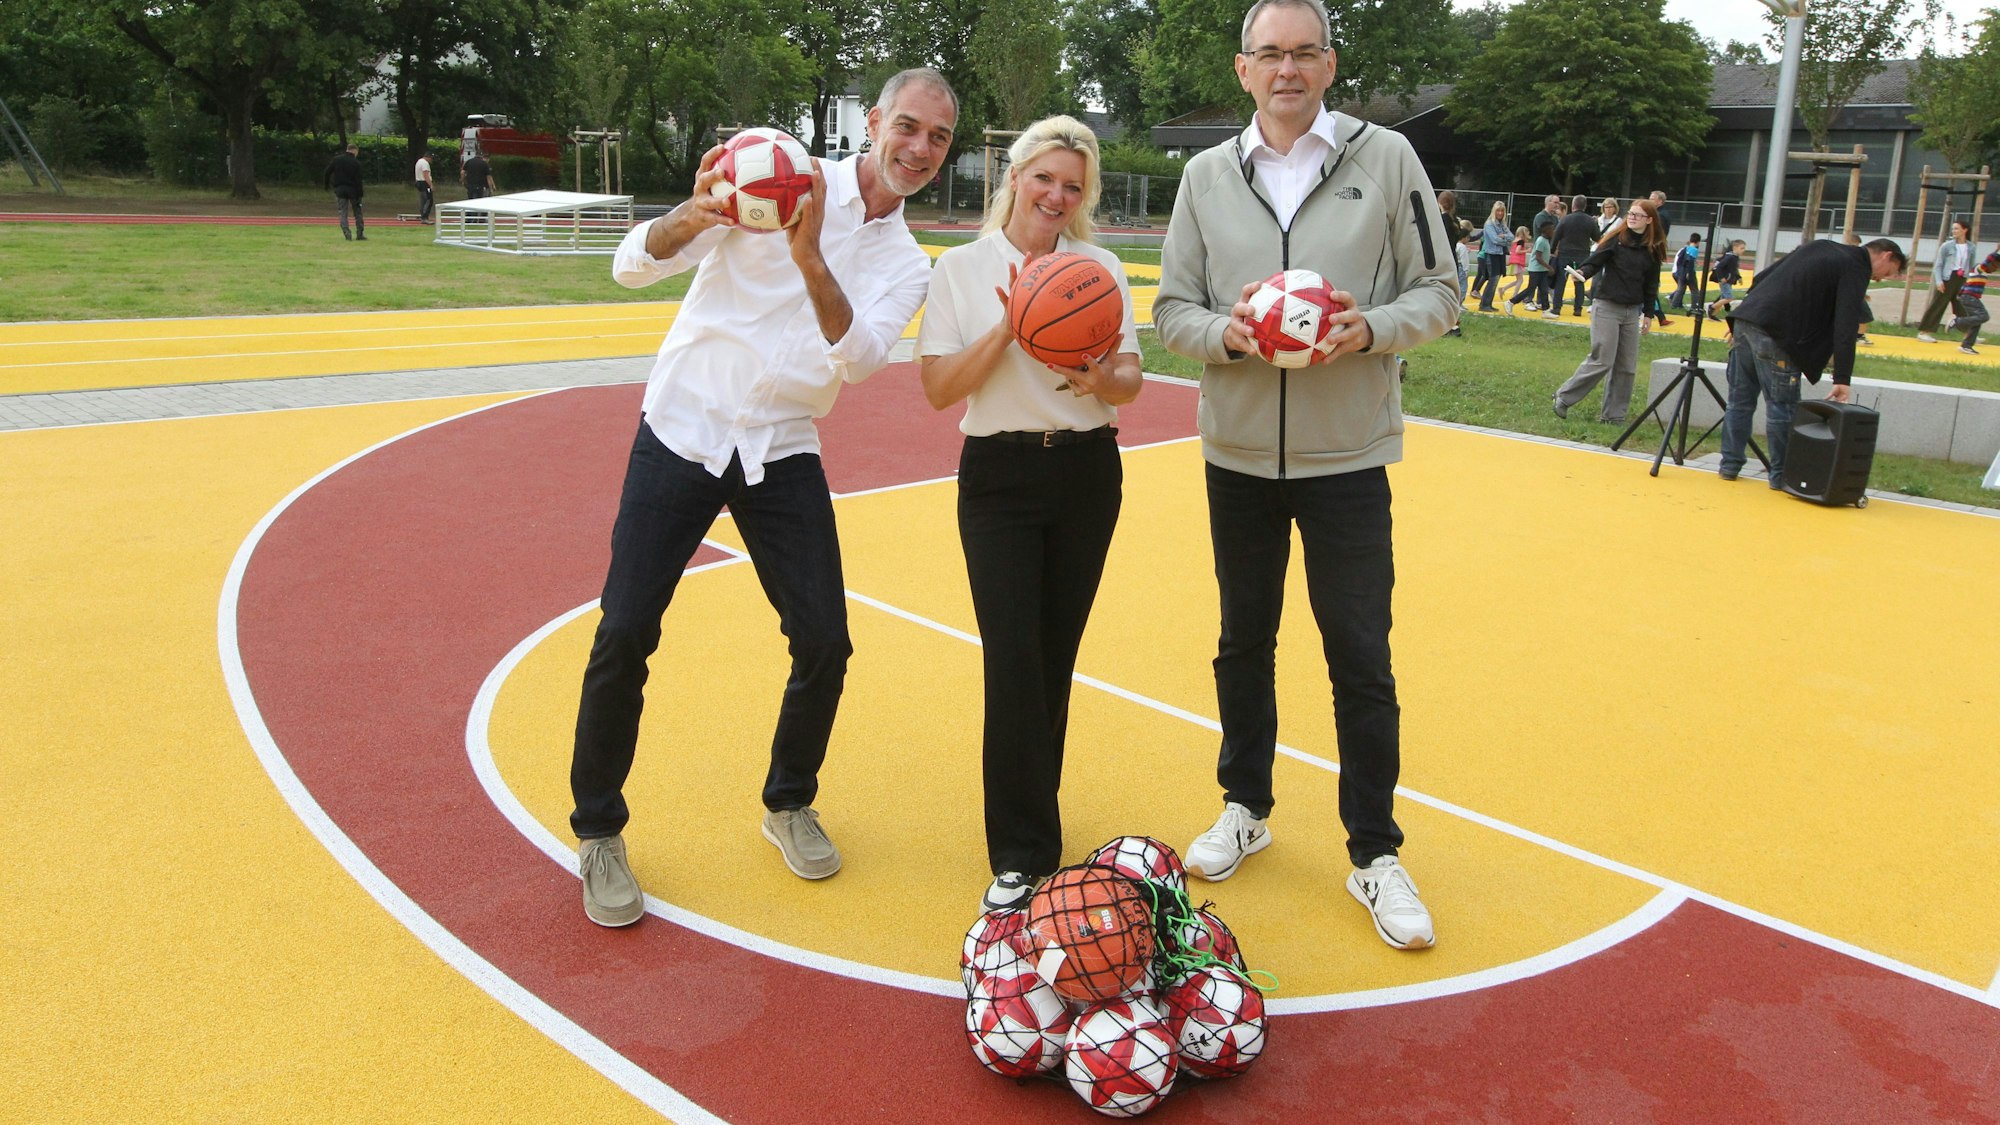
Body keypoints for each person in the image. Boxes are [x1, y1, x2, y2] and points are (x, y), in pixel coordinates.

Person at [566, 68, 959, 927]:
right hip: (685, 426)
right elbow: (630, 268)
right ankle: (598, 830)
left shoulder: (905, 263)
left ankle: (789, 800)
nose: (920, 149)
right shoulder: (771, 172)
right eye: (909, 127)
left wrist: (809, 253)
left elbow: (856, 360)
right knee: (625, 628)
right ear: (876, 124)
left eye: (938, 138)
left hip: (780, 446)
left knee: (825, 638)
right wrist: (691, 213)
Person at [1153, 0, 1458, 951]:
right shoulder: (1206, 175)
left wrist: (1368, 327)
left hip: (1349, 456)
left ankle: (1375, 851)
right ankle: (1245, 803)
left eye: (1304, 52)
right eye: (1268, 54)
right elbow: (1171, 311)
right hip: (1236, 455)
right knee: (1243, 641)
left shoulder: (1388, 158)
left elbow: (1440, 292)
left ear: (1329, 65)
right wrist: (1230, 336)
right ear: (1242, 70)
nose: (1287, 69)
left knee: (1359, 654)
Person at [916, 116, 1144, 911]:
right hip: (1000, 475)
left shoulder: (1101, 267)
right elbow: (942, 388)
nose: (1057, 194)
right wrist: (1013, 326)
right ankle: (1022, 853)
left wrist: (1095, 376)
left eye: (1073, 185)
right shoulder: (963, 268)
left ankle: (1034, 819)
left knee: (1053, 655)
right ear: (1014, 176)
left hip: (1086, 470)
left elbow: (1129, 382)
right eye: (1045, 177)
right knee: (1012, 657)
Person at [1717, 237, 1905, 484]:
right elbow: (1846, 323)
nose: (1878, 279)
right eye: (1887, 273)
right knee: (1782, 407)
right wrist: (1842, 378)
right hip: (1777, 334)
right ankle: (1783, 475)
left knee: (1739, 403)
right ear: (1886, 255)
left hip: (1747, 320)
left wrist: (1747, 317)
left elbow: (1764, 277)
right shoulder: (1856, 266)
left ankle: (1729, 465)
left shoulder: (1821, 247)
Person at [1552, 198, 1666, 424]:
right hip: (1607, 306)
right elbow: (1595, 261)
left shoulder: (1652, 248)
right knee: (1602, 359)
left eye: (1638, 215)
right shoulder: (1617, 239)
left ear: (1649, 220)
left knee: (1627, 366)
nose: (1632, 218)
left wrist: (1649, 314)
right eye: (1631, 214)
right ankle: (1564, 397)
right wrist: (1582, 272)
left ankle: (1614, 416)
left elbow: (1651, 284)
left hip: (1632, 311)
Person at [1917, 219, 1976, 342]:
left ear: (1965, 230)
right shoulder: (1946, 246)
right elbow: (1938, 265)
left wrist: (1971, 281)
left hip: (1962, 279)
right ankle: (1924, 332)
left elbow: (1971, 266)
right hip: (1947, 278)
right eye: (1953, 228)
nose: (1954, 231)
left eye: (1957, 228)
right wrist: (1939, 281)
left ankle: (1969, 336)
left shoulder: (1971, 247)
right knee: (1938, 305)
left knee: (1962, 307)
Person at [1548, 193, 1597, 319]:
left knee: (1560, 281)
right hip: (1582, 255)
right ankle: (1578, 309)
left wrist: (1552, 251)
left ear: (1573, 205)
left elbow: (1556, 236)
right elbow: (1597, 237)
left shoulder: (1565, 219)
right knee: (1579, 282)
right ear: (1585, 206)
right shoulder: (1589, 220)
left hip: (1565, 253)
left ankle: (1557, 308)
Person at [323, 143, 365, 241]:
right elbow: (359, 181)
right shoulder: (356, 163)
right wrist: (360, 194)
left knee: (343, 212)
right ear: (355, 151)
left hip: (340, 189)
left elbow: (327, 172)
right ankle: (360, 233)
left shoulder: (337, 160)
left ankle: (346, 232)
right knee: (357, 212)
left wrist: (326, 185)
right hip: (353, 191)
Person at [1437, 190, 1465, 335]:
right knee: (1451, 292)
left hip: (1443, 258)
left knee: (1442, 292)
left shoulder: (1442, 219)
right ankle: (1452, 321)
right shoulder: (1454, 220)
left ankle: (1448, 323)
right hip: (1452, 257)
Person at [1477, 200, 1509, 311]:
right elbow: (1495, 240)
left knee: (1495, 279)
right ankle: (1484, 304)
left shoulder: (1502, 224)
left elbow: (1512, 236)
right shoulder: (1489, 224)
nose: (1500, 213)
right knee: (1492, 279)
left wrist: (1504, 237)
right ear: (1494, 211)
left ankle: (1488, 304)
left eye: (1502, 211)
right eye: (1498, 210)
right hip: (1491, 254)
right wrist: (1505, 240)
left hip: (1499, 254)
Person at [1668, 232, 1702, 310]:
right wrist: (1688, 273)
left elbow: (1680, 261)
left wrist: (1681, 271)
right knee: (1694, 289)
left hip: (1681, 271)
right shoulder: (1694, 250)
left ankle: (1674, 304)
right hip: (1689, 272)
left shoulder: (1685, 249)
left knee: (1681, 288)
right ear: (1698, 241)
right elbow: (1690, 262)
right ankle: (1695, 306)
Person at [1708, 238, 1745, 305]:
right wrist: (1721, 277)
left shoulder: (1735, 257)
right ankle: (1712, 307)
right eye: (1741, 248)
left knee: (1725, 296)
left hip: (1728, 278)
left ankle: (1713, 309)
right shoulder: (1729, 256)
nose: (1743, 250)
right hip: (1725, 278)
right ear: (1734, 248)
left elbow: (1734, 268)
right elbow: (1719, 265)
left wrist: (1739, 277)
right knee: (1728, 297)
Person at [414, 150, 435, 223]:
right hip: (424, 183)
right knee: (429, 200)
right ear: (429, 157)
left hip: (419, 182)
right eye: (432, 158)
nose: (432, 160)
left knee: (423, 200)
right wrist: (431, 185)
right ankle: (425, 217)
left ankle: (423, 215)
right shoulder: (425, 164)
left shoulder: (419, 161)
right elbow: (425, 174)